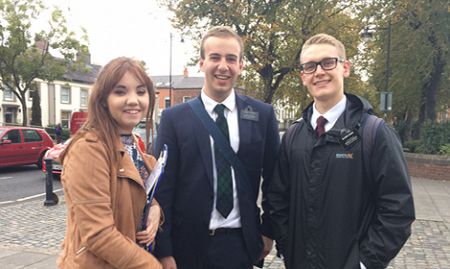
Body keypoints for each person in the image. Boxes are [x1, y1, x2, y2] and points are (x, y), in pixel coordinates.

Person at [265, 33, 415, 269]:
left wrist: (363, 263)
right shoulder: (293, 136)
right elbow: (277, 199)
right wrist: (287, 245)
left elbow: (398, 208)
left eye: (328, 62)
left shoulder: (374, 133)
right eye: (310, 66)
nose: (319, 72)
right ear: (303, 76)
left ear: (345, 68)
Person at [154, 26, 280, 269]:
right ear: (202, 62)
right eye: (215, 57)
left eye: (231, 59)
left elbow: (275, 180)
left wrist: (268, 230)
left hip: (240, 246)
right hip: (187, 247)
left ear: (241, 65)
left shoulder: (262, 115)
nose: (223, 66)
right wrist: (164, 248)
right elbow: (163, 188)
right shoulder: (174, 118)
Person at [57, 57, 163, 269]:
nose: (133, 100)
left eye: (141, 92)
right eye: (121, 91)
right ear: (104, 99)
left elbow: (140, 195)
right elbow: (98, 234)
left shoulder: (132, 144)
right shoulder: (88, 149)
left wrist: (156, 210)